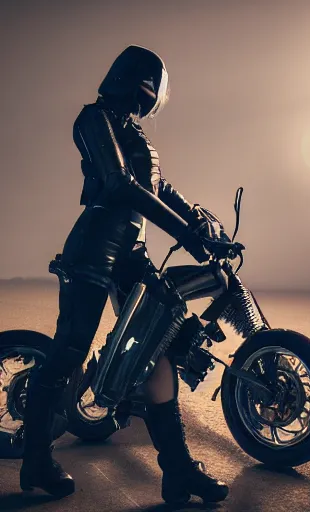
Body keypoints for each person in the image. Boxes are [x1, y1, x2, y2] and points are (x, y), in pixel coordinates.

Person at [20, 44, 229, 506]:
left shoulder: (133, 133)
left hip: (130, 253)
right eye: (154, 86)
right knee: (69, 353)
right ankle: (35, 459)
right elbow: (120, 184)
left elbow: (160, 188)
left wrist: (199, 220)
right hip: (94, 251)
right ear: (141, 82)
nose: (156, 96)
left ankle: (178, 473)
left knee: (153, 351)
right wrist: (189, 235)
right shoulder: (93, 119)